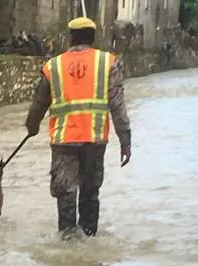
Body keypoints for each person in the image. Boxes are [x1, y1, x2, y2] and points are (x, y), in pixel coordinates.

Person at [25, 16, 132, 237]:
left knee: (65, 193)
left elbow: (38, 104)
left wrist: (32, 127)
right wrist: (125, 140)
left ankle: (67, 243)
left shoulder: (53, 66)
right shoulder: (107, 63)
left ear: (70, 38)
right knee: (90, 193)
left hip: (64, 141)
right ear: (93, 37)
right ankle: (89, 241)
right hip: (94, 140)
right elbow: (118, 106)